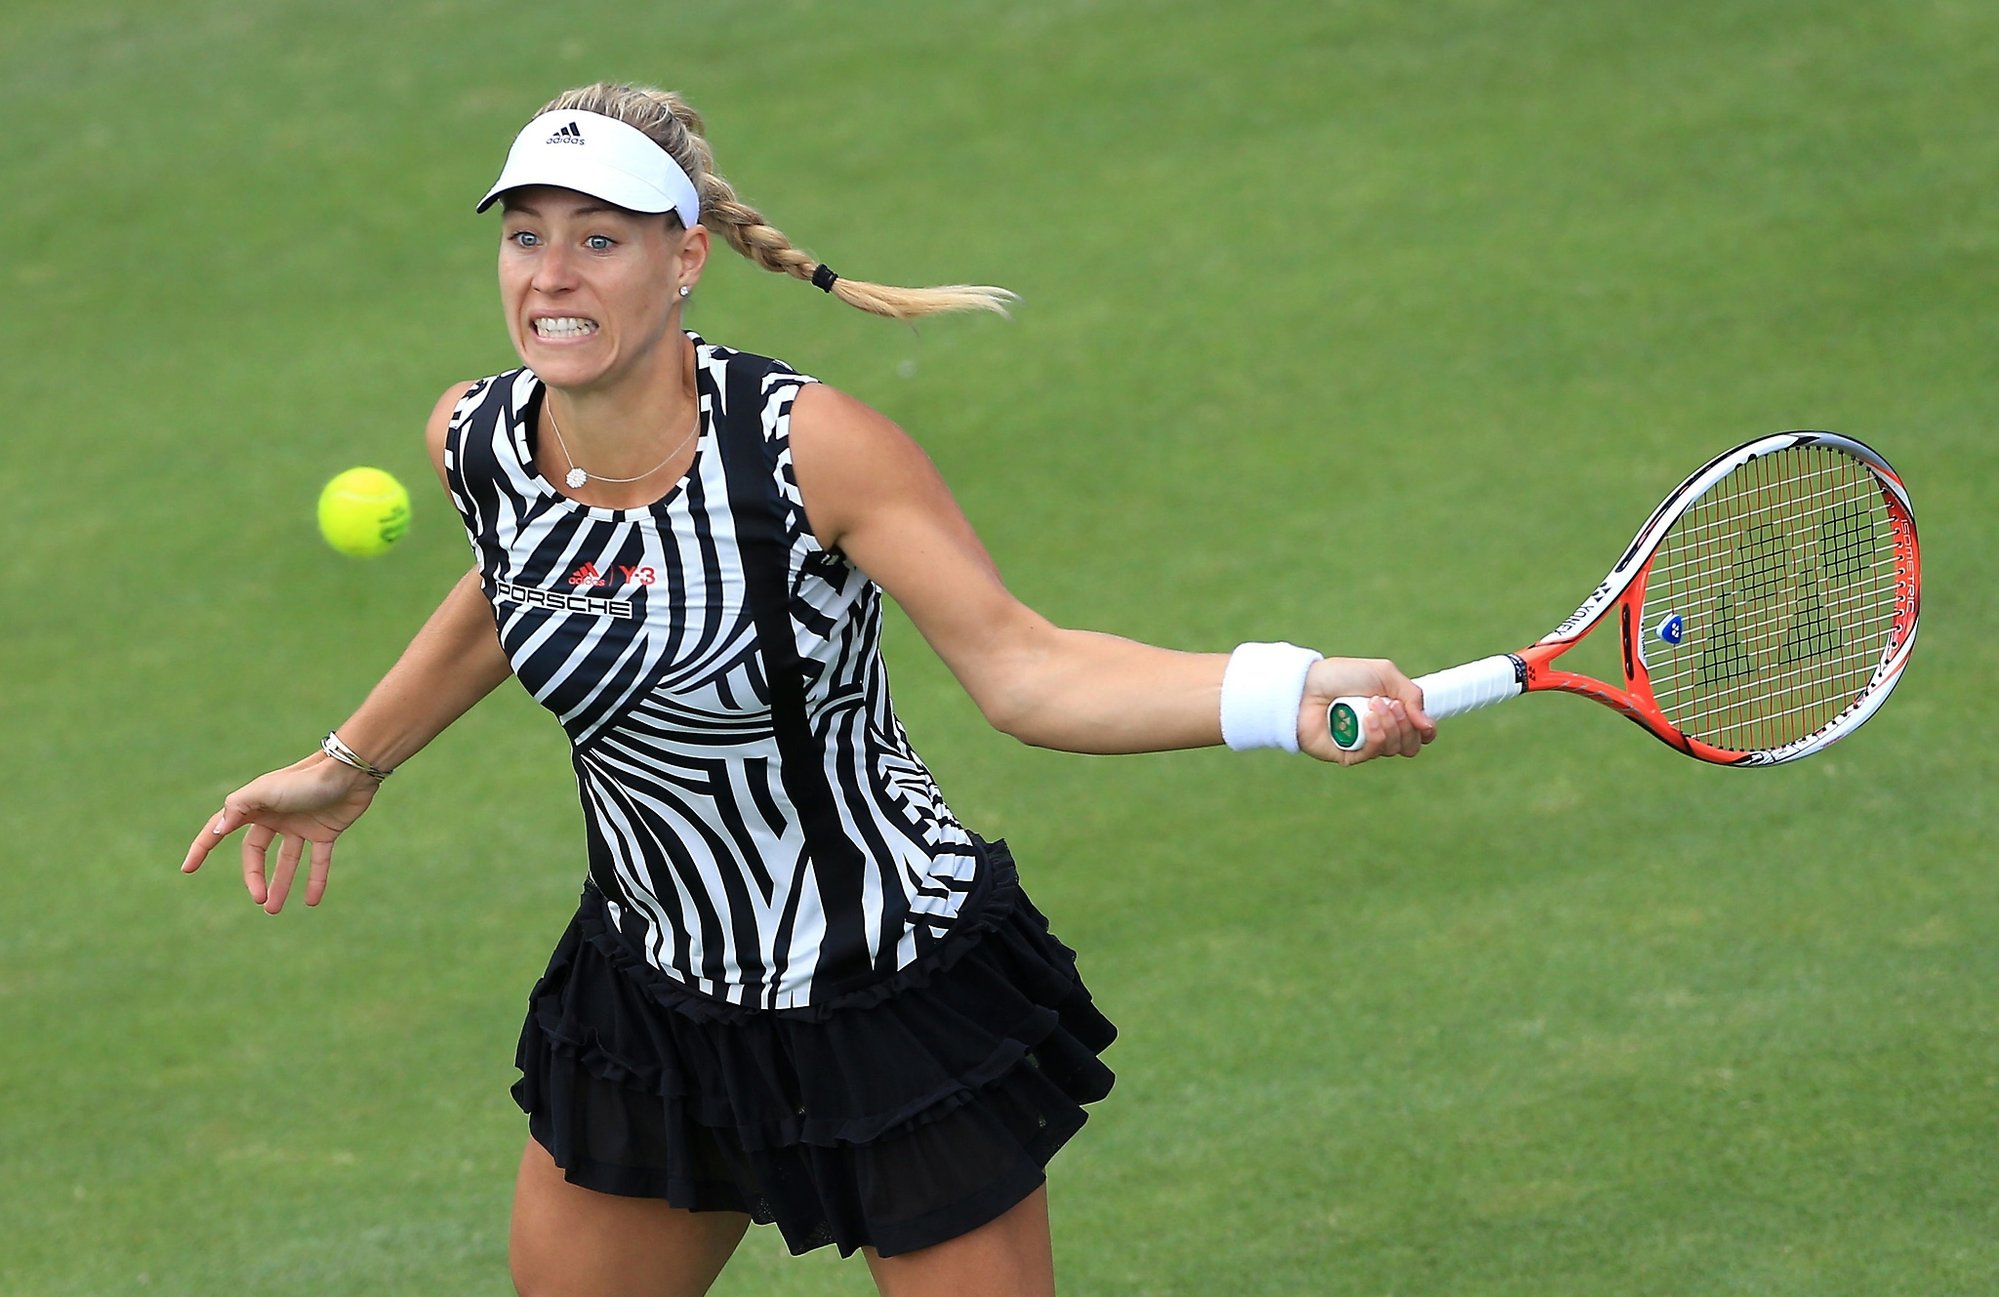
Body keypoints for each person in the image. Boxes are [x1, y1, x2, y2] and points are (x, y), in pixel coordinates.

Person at [181, 82, 1435, 1297]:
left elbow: (1024, 669)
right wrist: (351, 763)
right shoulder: (483, 440)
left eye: (598, 240)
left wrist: (1286, 690)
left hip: (881, 989)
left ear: (683, 261)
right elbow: (510, 596)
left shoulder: (805, 448)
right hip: (654, 995)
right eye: (526, 236)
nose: (549, 277)